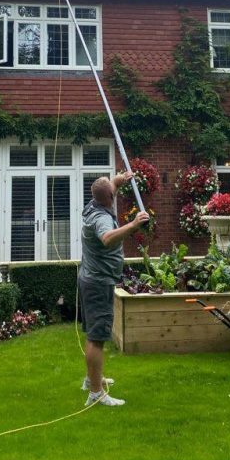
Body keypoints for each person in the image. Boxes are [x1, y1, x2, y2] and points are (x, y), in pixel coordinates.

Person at [79, 171, 149, 407]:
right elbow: (107, 237)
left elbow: (110, 189)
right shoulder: (102, 219)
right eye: (113, 190)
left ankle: (92, 379)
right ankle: (96, 393)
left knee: (93, 334)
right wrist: (134, 224)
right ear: (109, 196)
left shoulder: (93, 204)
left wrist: (119, 180)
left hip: (90, 278)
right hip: (99, 282)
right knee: (97, 338)